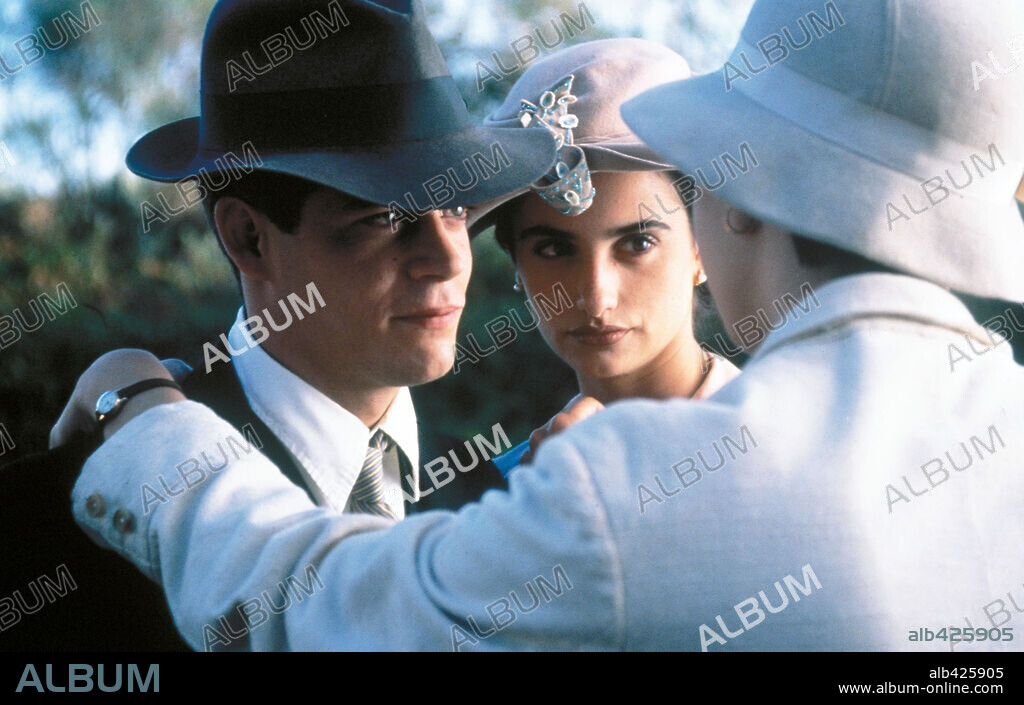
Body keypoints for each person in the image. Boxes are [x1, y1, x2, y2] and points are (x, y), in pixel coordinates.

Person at [61, 0, 1024, 651]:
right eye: (547, 245)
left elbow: (320, 612)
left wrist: (151, 422)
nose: (449, 259)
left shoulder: (622, 487)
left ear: (730, 194)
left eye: (639, 236)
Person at [0, 0, 556, 651]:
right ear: (249, 238)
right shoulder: (65, 517)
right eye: (385, 218)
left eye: (458, 207)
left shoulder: (501, 506)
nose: (450, 258)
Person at [464, 39, 740, 473]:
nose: (595, 299)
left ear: (701, 249)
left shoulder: (792, 450)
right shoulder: (507, 493)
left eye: (637, 245)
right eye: (553, 249)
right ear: (517, 263)